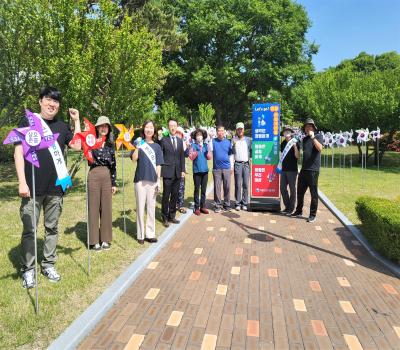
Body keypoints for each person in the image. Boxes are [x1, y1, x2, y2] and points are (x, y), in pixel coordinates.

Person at [14, 86, 81, 288]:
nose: (52, 104)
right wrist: (22, 181)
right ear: (41, 101)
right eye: (49, 100)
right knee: (30, 230)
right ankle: (28, 269)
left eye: (56, 101)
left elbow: (77, 146)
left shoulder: (62, 127)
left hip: (55, 188)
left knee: (51, 228)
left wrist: (76, 121)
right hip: (32, 186)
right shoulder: (28, 122)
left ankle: (48, 264)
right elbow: (18, 152)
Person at [131, 120, 164, 244]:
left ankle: (150, 234)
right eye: (146, 127)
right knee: (140, 207)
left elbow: (159, 164)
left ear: (154, 130)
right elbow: (133, 160)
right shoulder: (139, 143)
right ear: (143, 129)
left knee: (151, 208)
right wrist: (137, 148)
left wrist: (158, 181)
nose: (148, 129)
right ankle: (140, 235)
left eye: (151, 127)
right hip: (140, 180)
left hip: (152, 180)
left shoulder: (157, 146)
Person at [87, 116, 117, 251]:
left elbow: (113, 165)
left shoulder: (111, 145)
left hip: (106, 175)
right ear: (97, 128)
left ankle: (105, 239)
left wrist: (113, 183)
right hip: (93, 174)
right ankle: (94, 241)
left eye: (106, 126)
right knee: (93, 207)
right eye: (101, 126)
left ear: (108, 128)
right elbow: (86, 156)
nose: (103, 128)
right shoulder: (90, 141)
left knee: (106, 208)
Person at [291, 118, 324, 223]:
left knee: (313, 193)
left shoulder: (319, 136)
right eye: (306, 126)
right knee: (300, 191)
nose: (308, 128)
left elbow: (320, 148)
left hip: (313, 170)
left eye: (310, 126)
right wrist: (295, 146)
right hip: (304, 169)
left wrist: (313, 137)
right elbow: (298, 155)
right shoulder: (304, 139)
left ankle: (312, 215)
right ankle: (299, 210)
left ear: (313, 127)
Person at [160, 118, 185, 227]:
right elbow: (160, 156)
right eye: (171, 125)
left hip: (177, 172)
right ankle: (164, 217)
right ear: (168, 127)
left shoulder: (180, 141)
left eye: (174, 125)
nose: (173, 127)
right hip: (167, 172)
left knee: (175, 195)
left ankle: (172, 215)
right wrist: (160, 170)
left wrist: (183, 170)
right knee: (166, 195)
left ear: (177, 126)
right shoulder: (163, 140)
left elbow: (182, 157)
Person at [188, 128, 212, 215]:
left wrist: (208, 152)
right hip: (197, 171)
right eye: (197, 135)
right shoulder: (193, 145)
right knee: (197, 189)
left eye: (200, 135)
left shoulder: (206, 145)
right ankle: (196, 207)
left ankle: (203, 206)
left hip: (205, 171)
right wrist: (195, 152)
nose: (199, 137)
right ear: (195, 137)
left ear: (203, 136)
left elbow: (209, 157)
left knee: (203, 190)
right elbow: (190, 157)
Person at [210, 125, 233, 213]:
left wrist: (231, 166)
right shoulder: (213, 141)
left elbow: (231, 155)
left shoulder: (228, 142)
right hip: (216, 169)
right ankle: (217, 205)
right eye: (219, 131)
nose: (221, 132)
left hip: (227, 168)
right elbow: (208, 152)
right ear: (216, 132)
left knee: (227, 187)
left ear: (224, 132)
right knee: (217, 188)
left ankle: (226, 205)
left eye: (222, 131)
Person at [280, 126, 300, 215]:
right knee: (283, 188)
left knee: (292, 189)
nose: (286, 133)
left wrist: (295, 147)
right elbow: (281, 156)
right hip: (284, 169)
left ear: (291, 133)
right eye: (285, 132)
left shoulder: (295, 142)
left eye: (288, 131)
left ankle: (291, 208)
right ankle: (287, 206)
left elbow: (298, 156)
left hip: (292, 170)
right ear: (283, 134)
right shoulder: (283, 143)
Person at [232, 122, 251, 211]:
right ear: (236, 130)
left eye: (241, 129)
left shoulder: (248, 139)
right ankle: (237, 203)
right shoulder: (233, 140)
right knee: (238, 184)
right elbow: (231, 152)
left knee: (246, 184)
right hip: (238, 164)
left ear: (243, 130)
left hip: (246, 164)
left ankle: (245, 203)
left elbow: (250, 150)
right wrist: (233, 144)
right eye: (238, 129)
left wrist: (250, 160)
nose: (240, 130)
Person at [176, 126, 187, 214]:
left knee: (181, 188)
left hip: (181, 169)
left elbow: (186, 155)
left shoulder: (183, 143)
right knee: (173, 188)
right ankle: (174, 204)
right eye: (177, 132)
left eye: (180, 133)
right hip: (172, 169)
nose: (178, 134)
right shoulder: (170, 141)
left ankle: (180, 205)